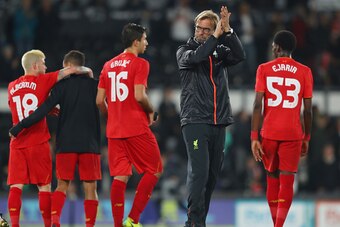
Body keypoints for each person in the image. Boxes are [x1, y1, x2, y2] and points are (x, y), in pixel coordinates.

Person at [9, 50, 101, 227]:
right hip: (39, 141)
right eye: (43, 63)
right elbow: (70, 70)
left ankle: (14, 225)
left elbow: (31, 106)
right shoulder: (44, 80)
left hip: (18, 142)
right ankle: (49, 224)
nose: (46, 66)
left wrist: (23, 124)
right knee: (44, 187)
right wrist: (88, 71)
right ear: (35, 66)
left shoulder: (12, 86)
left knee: (16, 186)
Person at [176, 6, 245, 227]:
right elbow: (199, 56)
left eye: (208, 30)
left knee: (212, 176)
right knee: (199, 173)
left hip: (219, 120)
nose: (202, 32)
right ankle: (192, 222)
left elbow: (240, 55)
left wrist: (229, 31)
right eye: (199, 28)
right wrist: (216, 37)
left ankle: (200, 221)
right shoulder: (184, 51)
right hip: (195, 120)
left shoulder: (219, 52)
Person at [96, 23, 163, 227]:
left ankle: (117, 224)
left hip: (114, 130)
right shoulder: (140, 63)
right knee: (155, 169)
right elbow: (139, 95)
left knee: (120, 176)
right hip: (136, 126)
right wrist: (151, 111)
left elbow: (99, 101)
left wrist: (112, 117)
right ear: (136, 42)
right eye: (144, 39)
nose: (147, 43)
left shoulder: (108, 65)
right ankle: (132, 219)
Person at [250, 30, 313, 227]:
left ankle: (275, 224)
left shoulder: (264, 68)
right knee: (287, 182)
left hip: (269, 132)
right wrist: (307, 137)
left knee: (272, 179)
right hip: (293, 133)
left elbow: (257, 105)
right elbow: (308, 110)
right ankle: (279, 226)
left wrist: (254, 137)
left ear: (276, 47)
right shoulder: (305, 71)